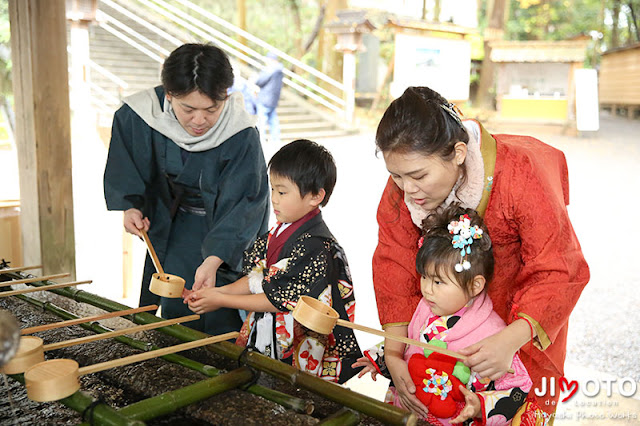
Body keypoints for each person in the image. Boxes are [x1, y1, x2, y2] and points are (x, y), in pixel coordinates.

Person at [372, 86, 589, 423]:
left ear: (459, 152)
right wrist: (395, 352)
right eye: (396, 176)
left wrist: (508, 341)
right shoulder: (405, 183)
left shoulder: (520, 172)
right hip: (441, 321)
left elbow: (559, 268)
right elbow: (393, 262)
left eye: (418, 176)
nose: (407, 190)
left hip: (520, 325)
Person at [103, 43, 270, 336]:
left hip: (224, 230)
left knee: (219, 308)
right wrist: (132, 206)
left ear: (226, 97)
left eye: (211, 109)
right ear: (169, 94)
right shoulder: (143, 114)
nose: (199, 120)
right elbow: (127, 161)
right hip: (174, 223)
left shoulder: (241, 132)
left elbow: (246, 203)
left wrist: (215, 258)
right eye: (188, 108)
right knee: (177, 305)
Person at [186, 139, 362, 383]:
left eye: (282, 192)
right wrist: (216, 293)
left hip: (294, 339)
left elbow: (278, 299)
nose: (274, 199)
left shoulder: (315, 245)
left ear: (315, 196)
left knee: (290, 393)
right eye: (272, 190)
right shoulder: (280, 230)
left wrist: (221, 299)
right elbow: (257, 279)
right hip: (270, 331)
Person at [354, 206, 532, 425]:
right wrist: (381, 358)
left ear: (475, 285)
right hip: (408, 411)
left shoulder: (493, 335)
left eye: (438, 282)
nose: (427, 289)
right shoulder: (426, 307)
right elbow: (408, 341)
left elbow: (518, 388)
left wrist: (478, 406)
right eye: (425, 277)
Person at [254, 52, 284, 143]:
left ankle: (261, 140)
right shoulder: (280, 71)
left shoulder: (270, 70)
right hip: (273, 99)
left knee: (262, 121)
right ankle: (276, 139)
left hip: (265, 99)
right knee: (273, 120)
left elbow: (260, 81)